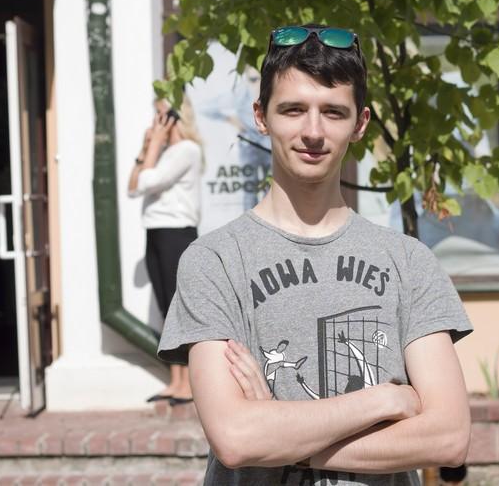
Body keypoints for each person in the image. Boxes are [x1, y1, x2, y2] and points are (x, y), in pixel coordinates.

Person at [158, 25, 474, 484]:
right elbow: (236, 438)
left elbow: (447, 438)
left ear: (360, 124)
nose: (312, 131)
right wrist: (383, 400)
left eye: (333, 112)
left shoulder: (408, 261)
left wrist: (282, 433)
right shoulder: (215, 261)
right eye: (293, 110)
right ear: (261, 116)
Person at [128, 96, 203, 406]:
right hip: (156, 231)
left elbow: (148, 181)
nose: (155, 121)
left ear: (175, 116)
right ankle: (175, 381)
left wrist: (155, 144)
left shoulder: (187, 150)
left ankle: (189, 384)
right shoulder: (161, 153)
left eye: (160, 114)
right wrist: (146, 149)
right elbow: (132, 187)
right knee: (164, 308)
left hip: (176, 233)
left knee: (178, 309)